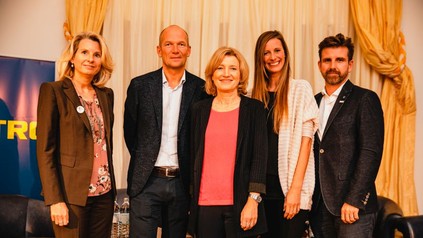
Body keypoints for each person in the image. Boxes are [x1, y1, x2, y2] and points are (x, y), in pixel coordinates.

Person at [124, 25, 207, 238]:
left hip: (182, 183)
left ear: (189, 50)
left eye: (181, 44)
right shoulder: (140, 86)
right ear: (159, 50)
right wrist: (146, 160)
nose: (175, 49)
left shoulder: (202, 90)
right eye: (168, 44)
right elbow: (130, 133)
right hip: (146, 181)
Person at [36, 31, 116, 237]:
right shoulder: (53, 91)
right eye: (84, 52)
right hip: (70, 197)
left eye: (97, 55)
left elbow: (104, 143)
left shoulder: (106, 95)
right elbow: (45, 150)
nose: (90, 59)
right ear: (72, 57)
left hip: (104, 196)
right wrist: (55, 200)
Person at [310, 33, 384, 237]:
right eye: (328, 60)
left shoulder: (365, 99)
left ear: (350, 65)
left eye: (339, 60)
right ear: (319, 65)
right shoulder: (312, 102)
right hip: (319, 206)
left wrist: (354, 199)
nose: (333, 65)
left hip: (352, 208)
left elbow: (370, 152)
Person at [188, 46, 268, 238]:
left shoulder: (254, 109)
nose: (226, 74)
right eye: (220, 68)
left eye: (233, 68)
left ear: (241, 75)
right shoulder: (199, 110)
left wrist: (253, 201)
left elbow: (259, 157)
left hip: (240, 204)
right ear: (212, 75)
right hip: (204, 205)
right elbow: (192, 156)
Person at [251, 30, 319, 237]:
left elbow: (307, 142)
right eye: (266, 53)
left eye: (277, 50)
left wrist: (295, 191)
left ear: (285, 53)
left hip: (289, 189)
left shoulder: (300, 89)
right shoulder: (252, 95)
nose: (273, 57)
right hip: (259, 192)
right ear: (259, 58)